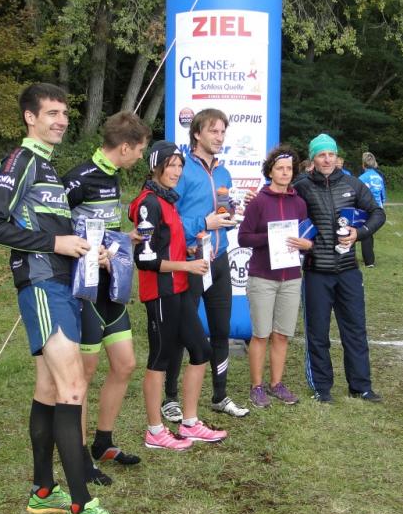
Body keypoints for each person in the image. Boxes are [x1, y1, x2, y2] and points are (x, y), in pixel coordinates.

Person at [0, 83, 132, 514]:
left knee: (48, 389)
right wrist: (55, 243)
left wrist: (88, 249)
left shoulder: (47, 165)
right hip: (42, 285)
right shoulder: (21, 161)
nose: (61, 120)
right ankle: (83, 507)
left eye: (65, 113)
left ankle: (44, 490)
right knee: (72, 388)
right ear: (30, 117)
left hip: (64, 283)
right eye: (51, 113)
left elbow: (58, 230)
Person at [62, 111, 151, 485]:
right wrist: (84, 251)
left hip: (111, 286)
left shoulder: (113, 176)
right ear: (125, 147)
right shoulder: (79, 178)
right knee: (83, 375)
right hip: (84, 290)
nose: (141, 157)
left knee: (125, 364)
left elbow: (102, 229)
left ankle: (103, 443)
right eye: (140, 150)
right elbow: (54, 228)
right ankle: (80, 457)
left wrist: (122, 239)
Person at [128, 141, 227, 449]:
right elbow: (145, 259)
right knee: (160, 358)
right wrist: (187, 264)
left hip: (180, 287)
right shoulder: (149, 203)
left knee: (201, 350)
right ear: (155, 167)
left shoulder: (168, 199)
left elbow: (169, 244)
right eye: (170, 165)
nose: (176, 171)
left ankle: (190, 422)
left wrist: (191, 250)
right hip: (160, 292)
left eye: (180, 166)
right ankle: (155, 431)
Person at [161, 108, 250, 421]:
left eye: (223, 132)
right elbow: (168, 219)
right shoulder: (182, 171)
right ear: (197, 133)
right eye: (214, 131)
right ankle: (170, 397)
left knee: (221, 329)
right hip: (190, 261)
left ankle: (220, 395)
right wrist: (203, 223)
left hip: (219, 257)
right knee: (180, 331)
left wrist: (229, 215)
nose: (220, 137)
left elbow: (221, 215)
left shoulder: (223, 173)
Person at [293, 133, 385, 403]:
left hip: (348, 270)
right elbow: (278, 204)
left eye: (331, 154)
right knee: (317, 332)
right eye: (321, 155)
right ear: (313, 158)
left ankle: (361, 386)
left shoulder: (353, 184)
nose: (327, 159)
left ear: (337, 157)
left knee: (355, 329)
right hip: (316, 271)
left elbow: (378, 213)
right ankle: (322, 387)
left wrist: (359, 232)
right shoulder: (301, 186)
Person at [238, 144, 311, 408]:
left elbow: (305, 237)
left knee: (282, 334)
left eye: (289, 168)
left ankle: (276, 383)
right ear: (270, 171)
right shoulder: (258, 201)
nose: (285, 173)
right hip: (263, 277)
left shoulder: (299, 203)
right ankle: (256, 386)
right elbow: (243, 238)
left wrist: (307, 245)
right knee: (261, 334)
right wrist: (271, 237)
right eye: (280, 168)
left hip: (291, 277)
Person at [358, 151, 387, 268]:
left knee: (365, 233)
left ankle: (368, 261)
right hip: (379, 210)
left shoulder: (361, 178)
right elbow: (383, 196)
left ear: (363, 164)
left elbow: (357, 196)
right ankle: (368, 259)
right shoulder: (379, 177)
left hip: (367, 209)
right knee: (368, 232)